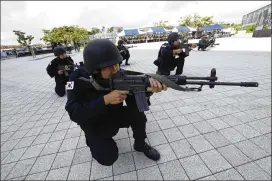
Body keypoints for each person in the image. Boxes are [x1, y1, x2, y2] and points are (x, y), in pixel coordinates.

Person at [65, 39, 167, 166]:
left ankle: (140, 145)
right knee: (107, 157)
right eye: (108, 67)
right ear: (95, 69)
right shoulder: (77, 79)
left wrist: (147, 90)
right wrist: (105, 100)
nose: (114, 69)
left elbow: (135, 104)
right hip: (93, 122)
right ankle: (93, 141)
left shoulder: (120, 74)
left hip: (114, 114)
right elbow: (74, 112)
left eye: (116, 64)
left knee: (138, 115)